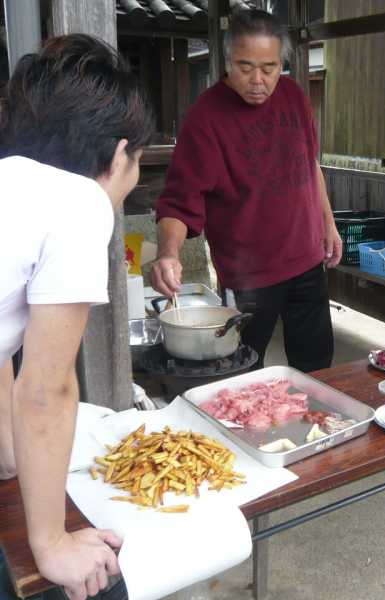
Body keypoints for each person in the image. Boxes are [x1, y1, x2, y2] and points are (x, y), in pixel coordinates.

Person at [0, 34, 154, 600]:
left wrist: (10, 457)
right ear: (119, 156)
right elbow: (46, 387)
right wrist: (51, 542)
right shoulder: (78, 203)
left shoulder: (11, 183)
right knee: (87, 582)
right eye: (137, 161)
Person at [152, 9, 341, 372]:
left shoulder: (294, 96)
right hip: (248, 275)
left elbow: (309, 164)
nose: (258, 80)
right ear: (226, 62)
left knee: (318, 366)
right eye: (244, 67)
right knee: (240, 369)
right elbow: (179, 199)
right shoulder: (206, 117)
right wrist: (168, 252)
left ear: (281, 63)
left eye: (269, 68)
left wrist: (327, 225)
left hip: (306, 259)